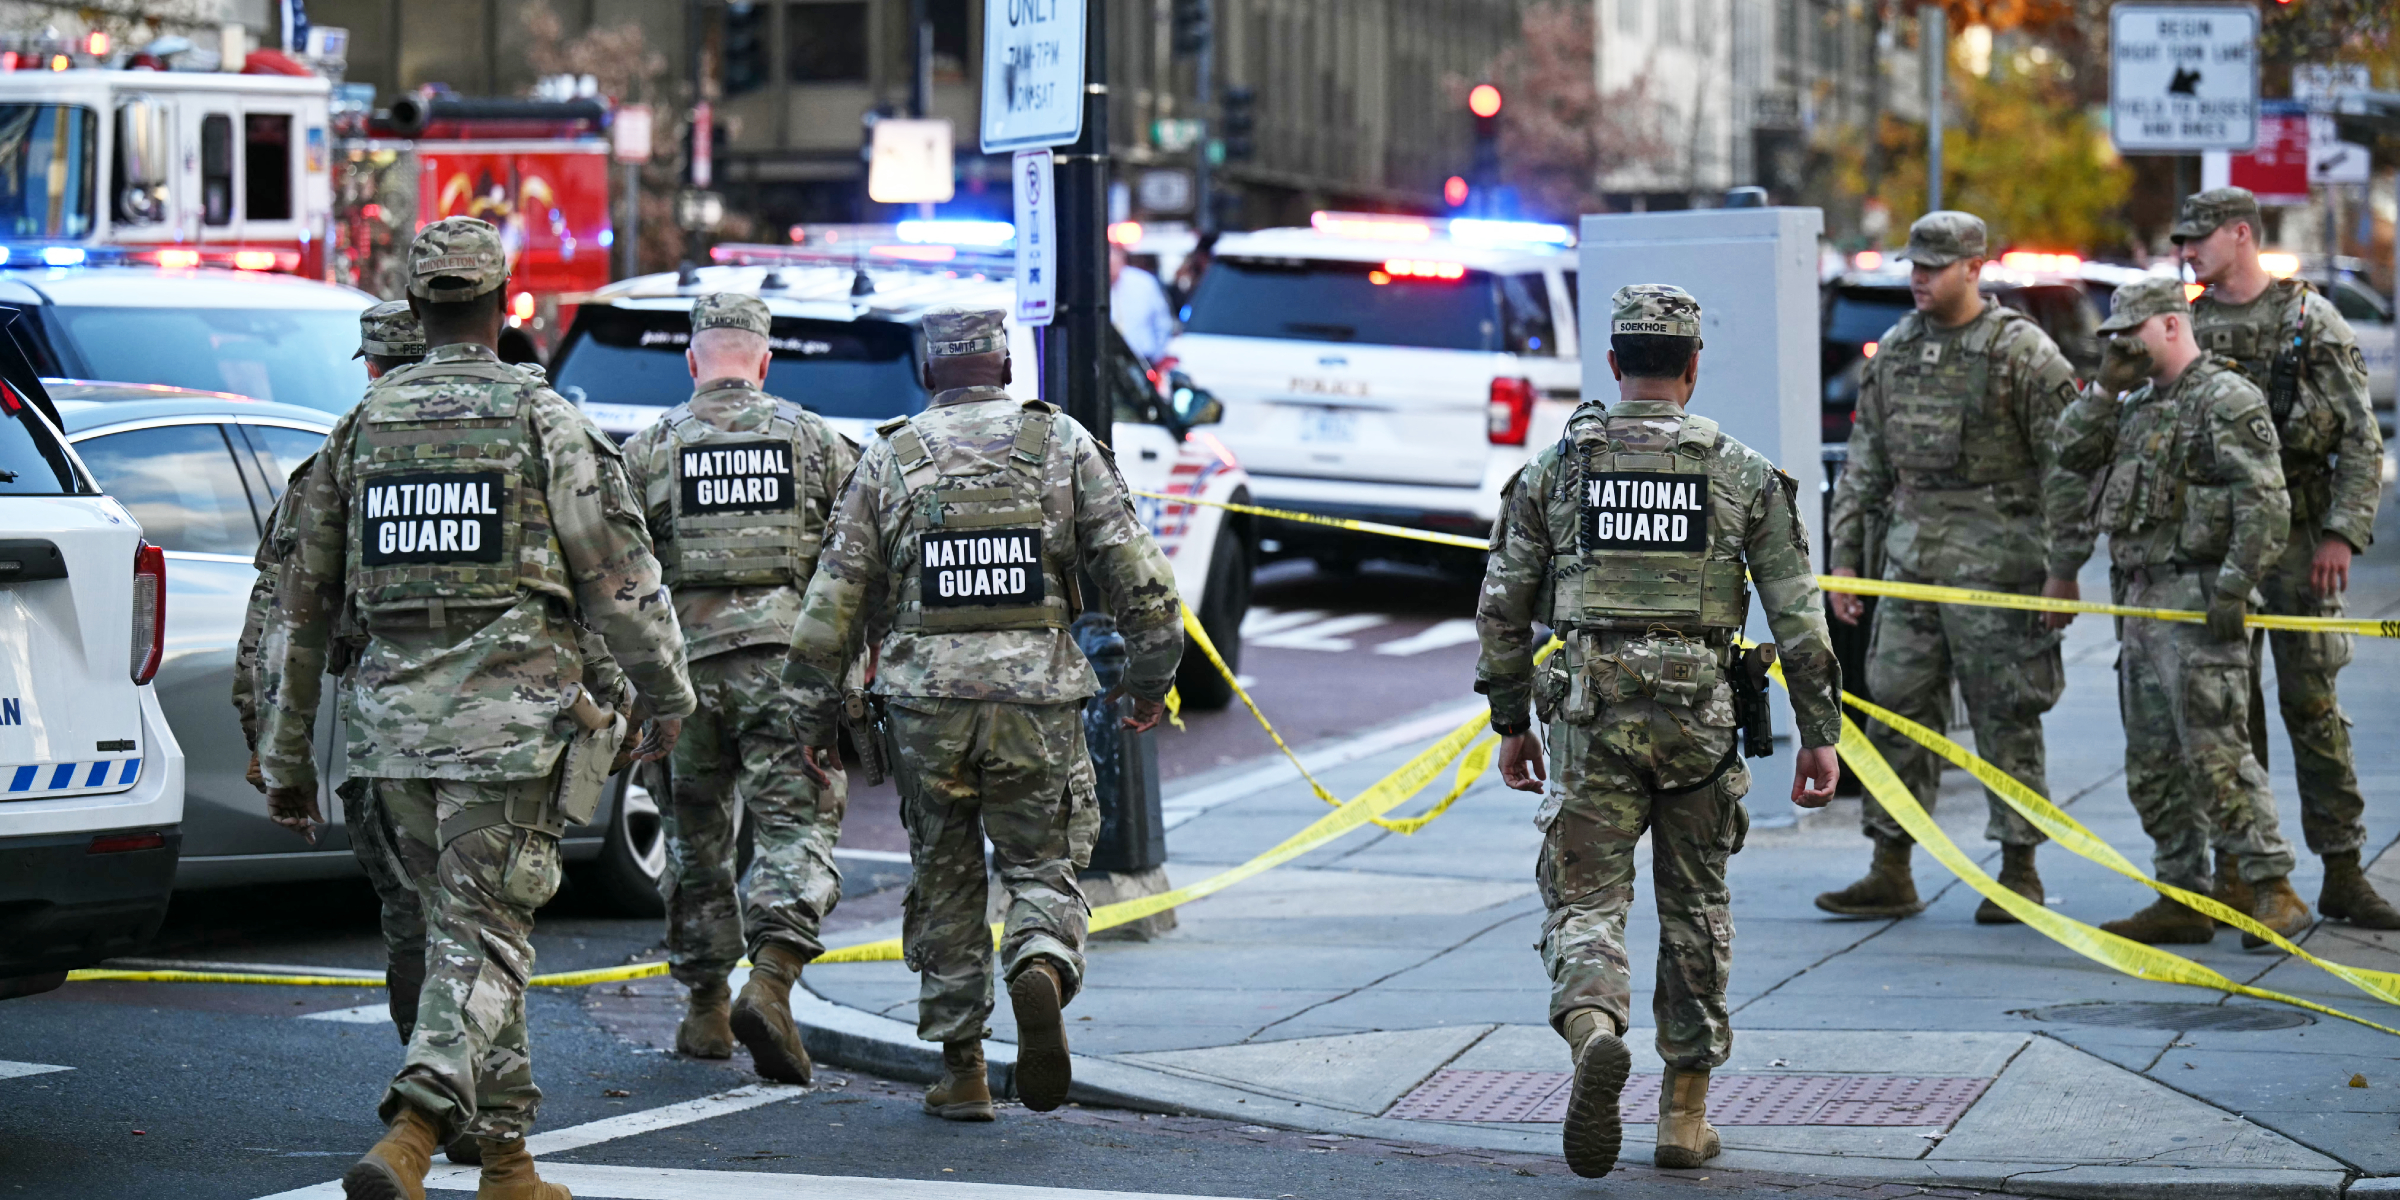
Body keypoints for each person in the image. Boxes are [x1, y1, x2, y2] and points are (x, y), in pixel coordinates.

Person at [254, 217, 696, 1200]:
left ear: (416, 310)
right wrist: (668, 695)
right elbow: (617, 577)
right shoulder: (542, 419)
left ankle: (508, 1159)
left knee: (463, 932)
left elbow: (301, 604)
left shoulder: (360, 430)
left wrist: (287, 759)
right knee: (484, 935)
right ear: (505, 306)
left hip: (389, 736)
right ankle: (414, 1126)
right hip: (509, 725)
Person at [1478, 285, 1843, 1177]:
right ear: (1690, 367)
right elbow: (1799, 615)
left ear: (1612, 363)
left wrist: (1509, 719)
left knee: (1586, 903)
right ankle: (1684, 1116)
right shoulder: (1743, 473)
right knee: (1696, 908)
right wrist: (1819, 731)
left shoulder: (1555, 472)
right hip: (1701, 721)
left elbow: (1502, 609)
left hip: (1589, 713)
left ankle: (1596, 1030)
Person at [782, 307, 1182, 1122]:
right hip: (1035, 699)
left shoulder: (891, 457)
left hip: (925, 704)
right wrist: (1149, 681)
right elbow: (1143, 581)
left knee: (944, 875)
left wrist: (810, 717)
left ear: (931, 374)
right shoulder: (1060, 444)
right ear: (1005, 367)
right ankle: (1038, 959)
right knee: (1041, 862)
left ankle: (962, 1069)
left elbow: (832, 604)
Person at [1819, 212, 2087, 924]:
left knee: (2006, 714)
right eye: (1915, 265)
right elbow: (1866, 462)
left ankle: (2018, 869)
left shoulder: (2022, 353)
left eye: (1934, 266)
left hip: (2001, 567)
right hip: (1911, 564)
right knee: (1896, 708)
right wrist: (1847, 559)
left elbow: (2069, 466)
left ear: (1975, 267)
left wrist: (2065, 570)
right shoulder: (1898, 350)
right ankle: (1890, 864)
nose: (1919, 278)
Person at [620, 292, 860, 1082]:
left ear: (692, 363)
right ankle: (773, 979)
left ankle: (705, 1011)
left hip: (683, 677)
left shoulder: (649, 449)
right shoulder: (816, 443)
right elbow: (859, 560)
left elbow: (615, 577)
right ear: (764, 362)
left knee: (694, 843)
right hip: (786, 673)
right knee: (796, 830)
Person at [2052, 276, 2302, 945]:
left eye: (2130, 333)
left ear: (2169, 324)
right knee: (2153, 761)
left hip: (2196, 600)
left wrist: (2233, 587)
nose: (2122, 347)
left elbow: (2265, 503)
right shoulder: (2132, 404)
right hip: (2138, 601)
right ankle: (2181, 891)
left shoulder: (2224, 398)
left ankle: (2271, 884)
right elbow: (2068, 454)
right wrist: (2102, 389)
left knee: (2216, 754)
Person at [2173, 187, 2396, 934]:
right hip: (2214, 541)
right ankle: (2241, 871)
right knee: (2225, 714)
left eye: (2201, 237)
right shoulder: (2190, 324)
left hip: (2300, 538)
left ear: (2243, 234)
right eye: (2184, 239)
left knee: (2312, 708)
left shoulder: (2308, 319)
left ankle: (2341, 871)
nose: (2189, 250)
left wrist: (2341, 533)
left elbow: (2361, 439)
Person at [1109, 243, 1176, 363]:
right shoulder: (1097, 289)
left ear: (1122, 260)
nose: (1111, 270)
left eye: (1113, 264)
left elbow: (1162, 321)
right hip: (1111, 359)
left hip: (1143, 359)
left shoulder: (1144, 282)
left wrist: (1158, 356)